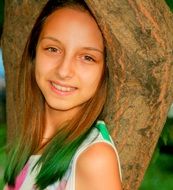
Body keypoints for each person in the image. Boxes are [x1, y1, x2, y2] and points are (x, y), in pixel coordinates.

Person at [4, 0, 122, 189]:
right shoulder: (33, 139)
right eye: (53, 49)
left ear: (104, 72)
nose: (64, 71)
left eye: (87, 57)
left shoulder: (95, 158)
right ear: (34, 54)